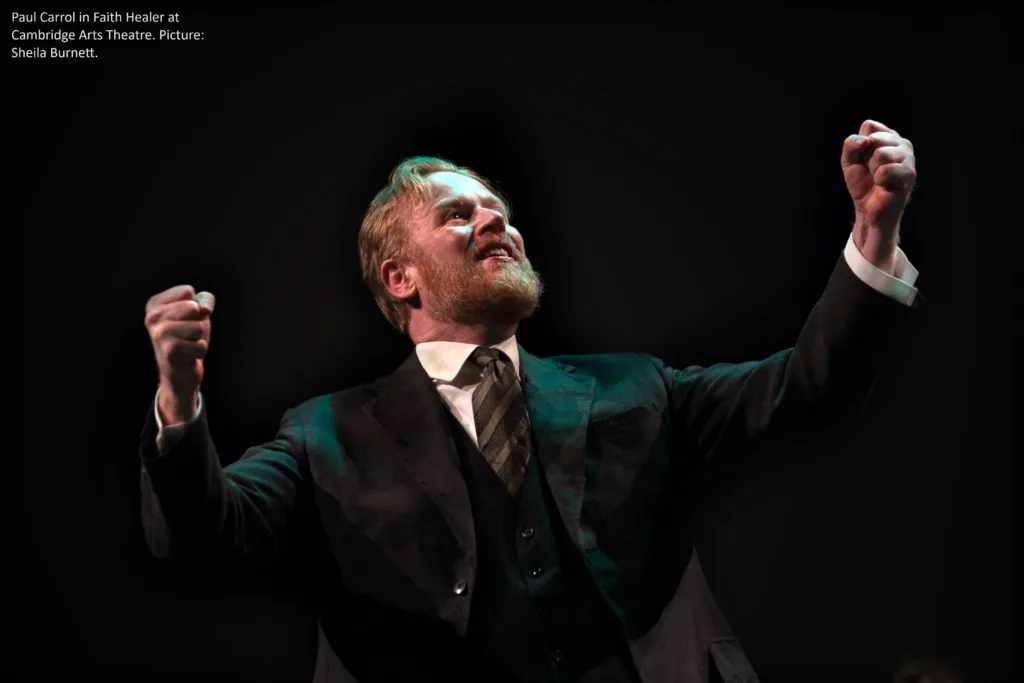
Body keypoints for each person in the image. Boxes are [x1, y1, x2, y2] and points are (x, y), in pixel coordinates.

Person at [139, 119, 920, 683]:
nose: (494, 221)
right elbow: (207, 535)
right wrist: (179, 401)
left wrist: (874, 234)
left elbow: (807, 390)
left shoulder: (636, 387)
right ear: (399, 278)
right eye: (458, 214)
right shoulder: (323, 434)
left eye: (501, 213)